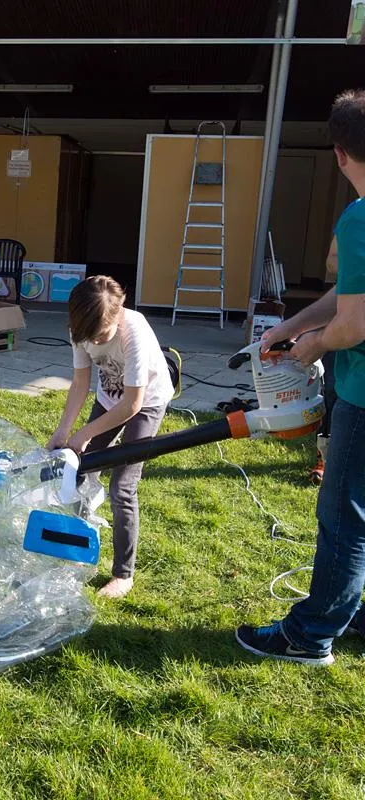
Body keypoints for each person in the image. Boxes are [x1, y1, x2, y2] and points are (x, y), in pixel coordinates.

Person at [235, 90, 365, 665]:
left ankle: (309, 635)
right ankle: (356, 612)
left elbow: (354, 324)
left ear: (340, 154)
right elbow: (347, 294)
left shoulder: (360, 217)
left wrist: (310, 346)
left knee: (342, 516)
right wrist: (287, 326)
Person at [46, 276, 175, 599]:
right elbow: (80, 382)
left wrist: (86, 434)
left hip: (146, 403)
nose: (96, 342)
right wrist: (65, 431)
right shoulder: (82, 327)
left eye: (102, 335)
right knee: (77, 471)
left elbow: (132, 404)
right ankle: (75, 551)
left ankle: (123, 574)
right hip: (109, 397)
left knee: (122, 487)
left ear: (118, 314)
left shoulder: (136, 333)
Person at [309, 237, 338, 484]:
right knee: (332, 391)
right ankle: (324, 459)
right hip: (343, 319)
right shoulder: (354, 215)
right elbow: (332, 263)